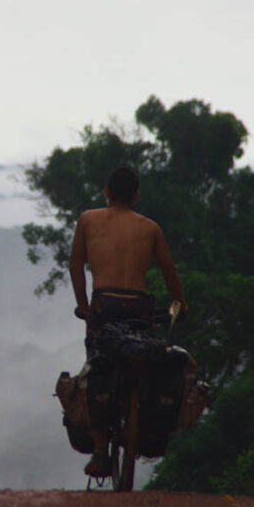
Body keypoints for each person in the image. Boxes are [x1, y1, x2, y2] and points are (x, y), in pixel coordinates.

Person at [68, 166, 186, 477]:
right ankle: (142, 421)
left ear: (107, 192)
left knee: (98, 364)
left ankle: (99, 451)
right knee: (147, 358)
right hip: (138, 306)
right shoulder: (150, 228)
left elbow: (76, 264)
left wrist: (83, 306)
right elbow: (169, 270)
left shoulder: (88, 219)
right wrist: (181, 303)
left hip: (104, 304)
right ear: (136, 195)